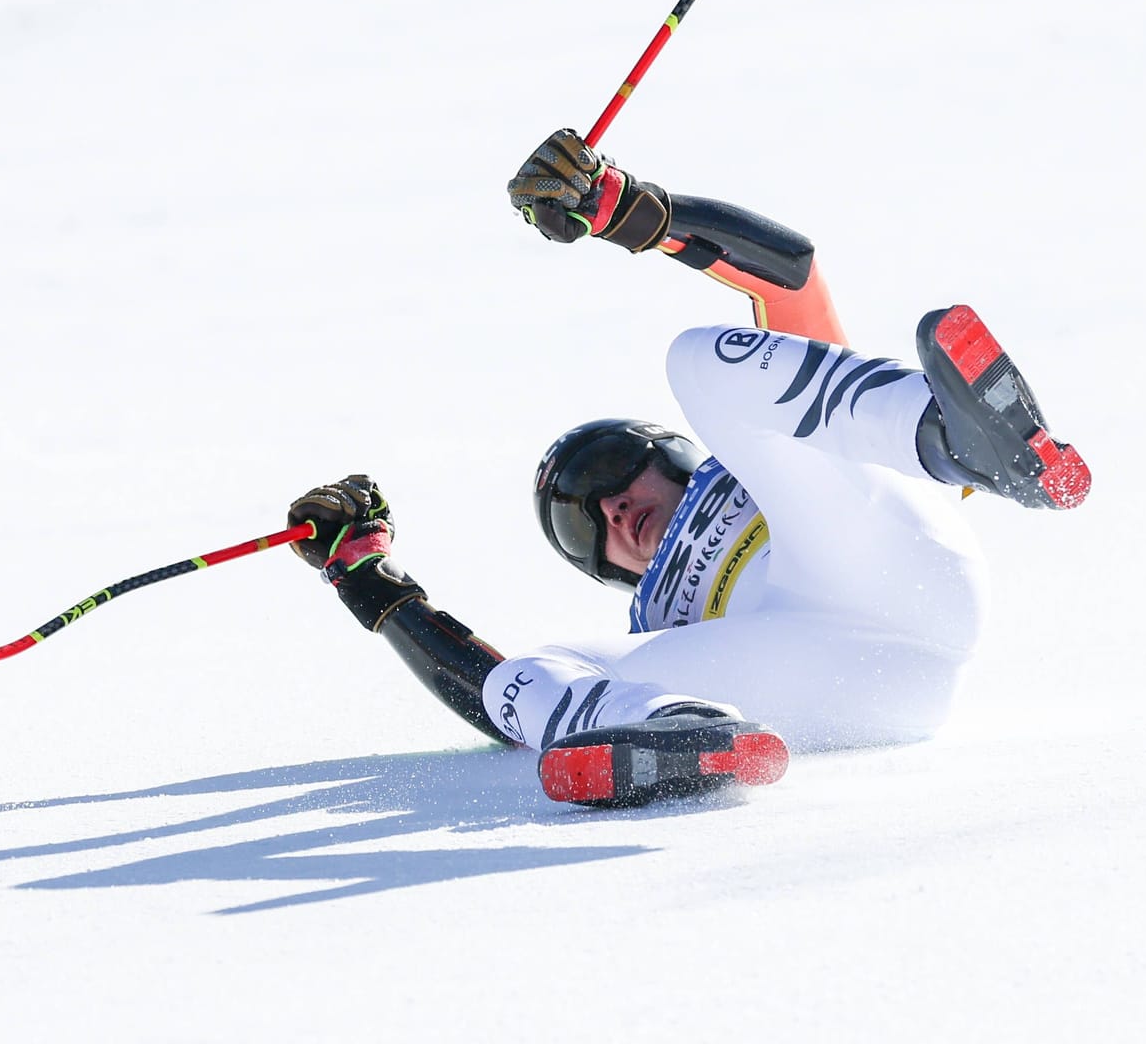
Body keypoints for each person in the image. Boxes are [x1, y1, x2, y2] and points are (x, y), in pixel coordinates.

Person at [287, 130, 1091, 807]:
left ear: (669, 457)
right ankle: (681, 737)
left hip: (893, 570)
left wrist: (623, 209)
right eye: (580, 526)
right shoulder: (654, 621)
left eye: (610, 474)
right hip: (841, 686)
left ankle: (963, 443)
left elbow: (793, 276)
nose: (608, 513)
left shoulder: (765, 458)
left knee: (701, 361)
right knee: (527, 676)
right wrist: (361, 574)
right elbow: (490, 696)